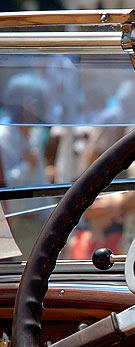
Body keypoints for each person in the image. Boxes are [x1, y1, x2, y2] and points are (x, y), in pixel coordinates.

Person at [0, 72, 53, 258]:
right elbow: (7, 187)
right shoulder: (3, 137)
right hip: (15, 226)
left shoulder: (31, 136)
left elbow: (42, 185)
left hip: (36, 223)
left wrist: (54, 223)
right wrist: (26, 165)